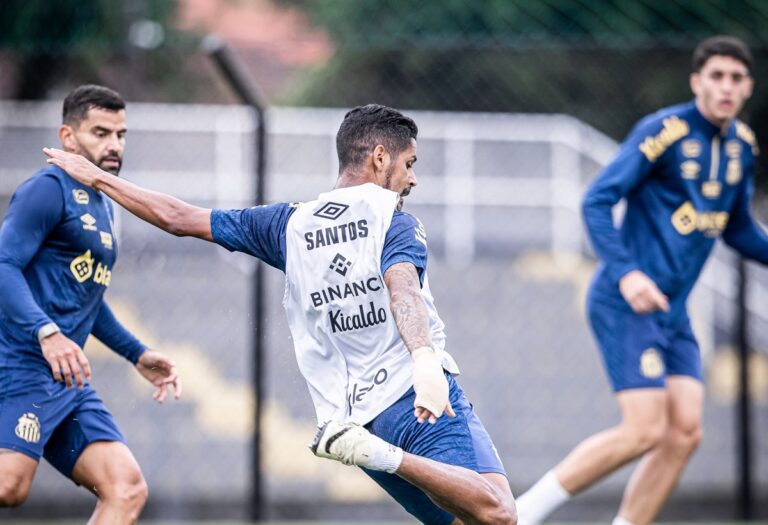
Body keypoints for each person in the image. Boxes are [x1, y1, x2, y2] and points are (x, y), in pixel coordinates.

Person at [44, 104, 517, 525]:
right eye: (409, 164)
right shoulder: (392, 218)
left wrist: (99, 178)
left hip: (353, 421)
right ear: (379, 156)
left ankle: (379, 454)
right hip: (416, 398)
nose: (412, 178)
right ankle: (385, 457)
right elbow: (403, 291)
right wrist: (425, 361)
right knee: (497, 513)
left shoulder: (289, 224)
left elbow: (178, 218)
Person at [516, 35, 768, 525]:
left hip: (673, 311)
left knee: (685, 432)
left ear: (748, 87)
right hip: (624, 301)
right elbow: (596, 200)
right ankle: (521, 514)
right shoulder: (665, 131)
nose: (726, 87)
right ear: (697, 81)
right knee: (644, 429)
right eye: (716, 76)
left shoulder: (742, 146)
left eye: (737, 78)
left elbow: (737, 227)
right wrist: (627, 273)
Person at [0, 85, 181, 524]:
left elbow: (88, 299)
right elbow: (4, 264)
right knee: (9, 486)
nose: (114, 144)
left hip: (67, 378)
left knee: (126, 488)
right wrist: (48, 333)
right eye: (100, 133)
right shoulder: (47, 188)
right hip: (22, 364)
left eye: (120, 134)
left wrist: (137, 353)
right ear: (67, 136)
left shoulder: (105, 204)